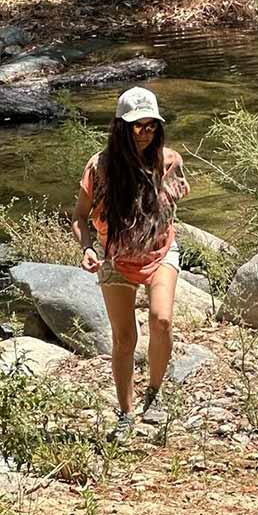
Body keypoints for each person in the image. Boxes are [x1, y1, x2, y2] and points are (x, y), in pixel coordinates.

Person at [72, 86, 190, 442]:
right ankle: (125, 413)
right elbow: (79, 216)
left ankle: (154, 392)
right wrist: (87, 247)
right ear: (121, 128)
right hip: (115, 257)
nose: (146, 132)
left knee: (162, 320)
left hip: (159, 253)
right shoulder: (99, 167)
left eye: (151, 125)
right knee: (124, 338)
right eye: (138, 126)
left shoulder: (169, 161)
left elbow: (174, 207)